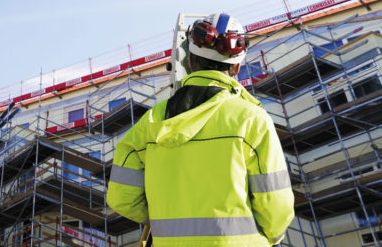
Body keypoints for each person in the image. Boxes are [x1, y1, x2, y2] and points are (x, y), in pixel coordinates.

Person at [107, 13, 294, 246]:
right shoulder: (252, 119)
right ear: (236, 67)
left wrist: (166, 217)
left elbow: (120, 197)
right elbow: (277, 205)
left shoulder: (151, 122)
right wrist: (273, 237)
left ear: (189, 61)